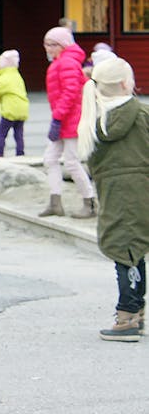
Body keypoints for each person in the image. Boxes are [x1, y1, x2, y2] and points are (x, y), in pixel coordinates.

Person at [76, 58, 149, 341]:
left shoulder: (93, 121)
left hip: (114, 195)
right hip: (142, 191)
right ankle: (132, 314)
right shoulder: (142, 115)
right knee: (134, 250)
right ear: (125, 83)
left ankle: (129, 314)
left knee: (125, 251)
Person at [39, 26, 97, 218]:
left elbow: (70, 92)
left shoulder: (67, 63)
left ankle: (89, 202)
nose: (47, 48)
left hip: (69, 120)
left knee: (71, 162)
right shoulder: (62, 61)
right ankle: (55, 202)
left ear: (62, 45)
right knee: (50, 159)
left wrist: (57, 117)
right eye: (46, 44)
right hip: (64, 118)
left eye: (51, 44)